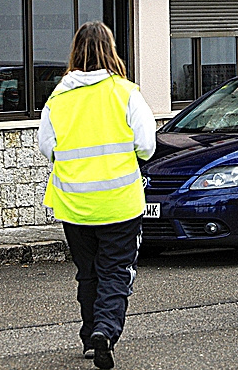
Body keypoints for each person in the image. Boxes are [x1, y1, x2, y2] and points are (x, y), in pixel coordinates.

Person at [38, 21, 156, 369]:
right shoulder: (126, 93)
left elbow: (47, 147)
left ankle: (91, 334)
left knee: (87, 272)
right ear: (111, 50)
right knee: (116, 271)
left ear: (75, 52)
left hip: (73, 204)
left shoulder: (57, 98)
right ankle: (105, 329)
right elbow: (146, 145)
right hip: (119, 203)